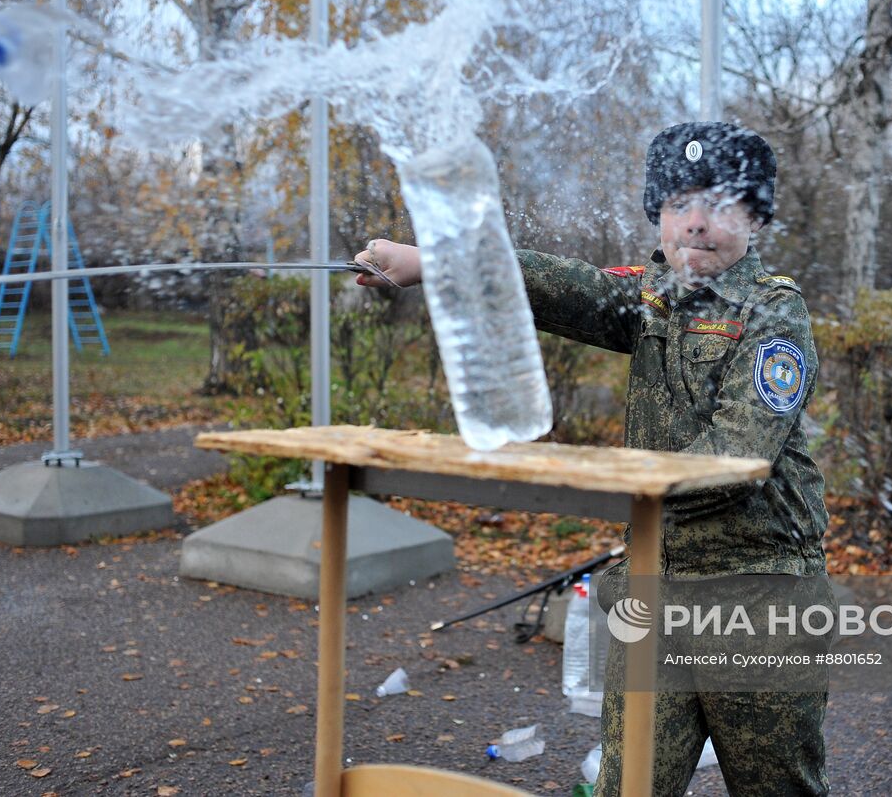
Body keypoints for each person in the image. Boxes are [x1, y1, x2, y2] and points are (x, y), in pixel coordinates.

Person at [353, 122, 832, 796]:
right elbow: (561, 284)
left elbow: (737, 455)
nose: (696, 224)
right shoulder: (652, 298)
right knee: (627, 786)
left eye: (720, 206)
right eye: (678, 205)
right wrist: (433, 258)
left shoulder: (772, 311)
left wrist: (607, 489)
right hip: (656, 589)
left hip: (755, 594)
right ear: (657, 215)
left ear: (753, 215)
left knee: (776, 787)